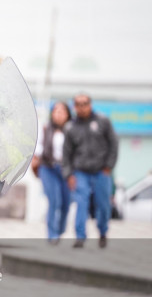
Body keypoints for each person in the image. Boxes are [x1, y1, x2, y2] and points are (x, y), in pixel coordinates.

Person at [63, 94, 118, 248]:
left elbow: (114, 143)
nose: (82, 107)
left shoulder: (103, 121)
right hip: (80, 171)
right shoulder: (70, 127)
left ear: (90, 104)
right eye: (78, 104)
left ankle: (102, 232)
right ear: (74, 106)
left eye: (85, 103)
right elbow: (66, 153)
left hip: (102, 171)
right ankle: (80, 237)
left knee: (103, 204)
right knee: (81, 203)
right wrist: (69, 174)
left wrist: (109, 166)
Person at [32, 101, 72, 243]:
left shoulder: (72, 130)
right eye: (56, 111)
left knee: (66, 203)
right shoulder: (46, 128)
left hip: (66, 170)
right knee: (54, 200)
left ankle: (60, 228)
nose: (58, 114)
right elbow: (38, 148)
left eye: (62, 111)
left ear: (67, 114)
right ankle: (52, 234)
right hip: (48, 167)